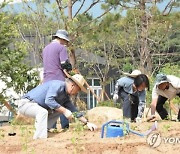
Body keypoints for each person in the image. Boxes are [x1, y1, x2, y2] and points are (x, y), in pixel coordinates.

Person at [18, 74, 97, 139]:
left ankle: (45, 129)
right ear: (73, 86)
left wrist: (87, 123)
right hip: (26, 104)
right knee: (46, 111)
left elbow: (74, 110)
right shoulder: (57, 85)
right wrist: (64, 111)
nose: (77, 92)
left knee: (59, 109)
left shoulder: (65, 97)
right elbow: (48, 100)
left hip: (36, 106)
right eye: (78, 89)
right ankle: (39, 138)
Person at [42, 29, 72, 129]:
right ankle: (65, 126)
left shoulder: (45, 48)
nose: (66, 43)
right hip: (58, 78)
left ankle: (51, 126)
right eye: (66, 41)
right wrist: (69, 69)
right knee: (62, 101)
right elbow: (64, 64)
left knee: (51, 103)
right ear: (62, 39)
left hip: (46, 79)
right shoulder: (61, 48)